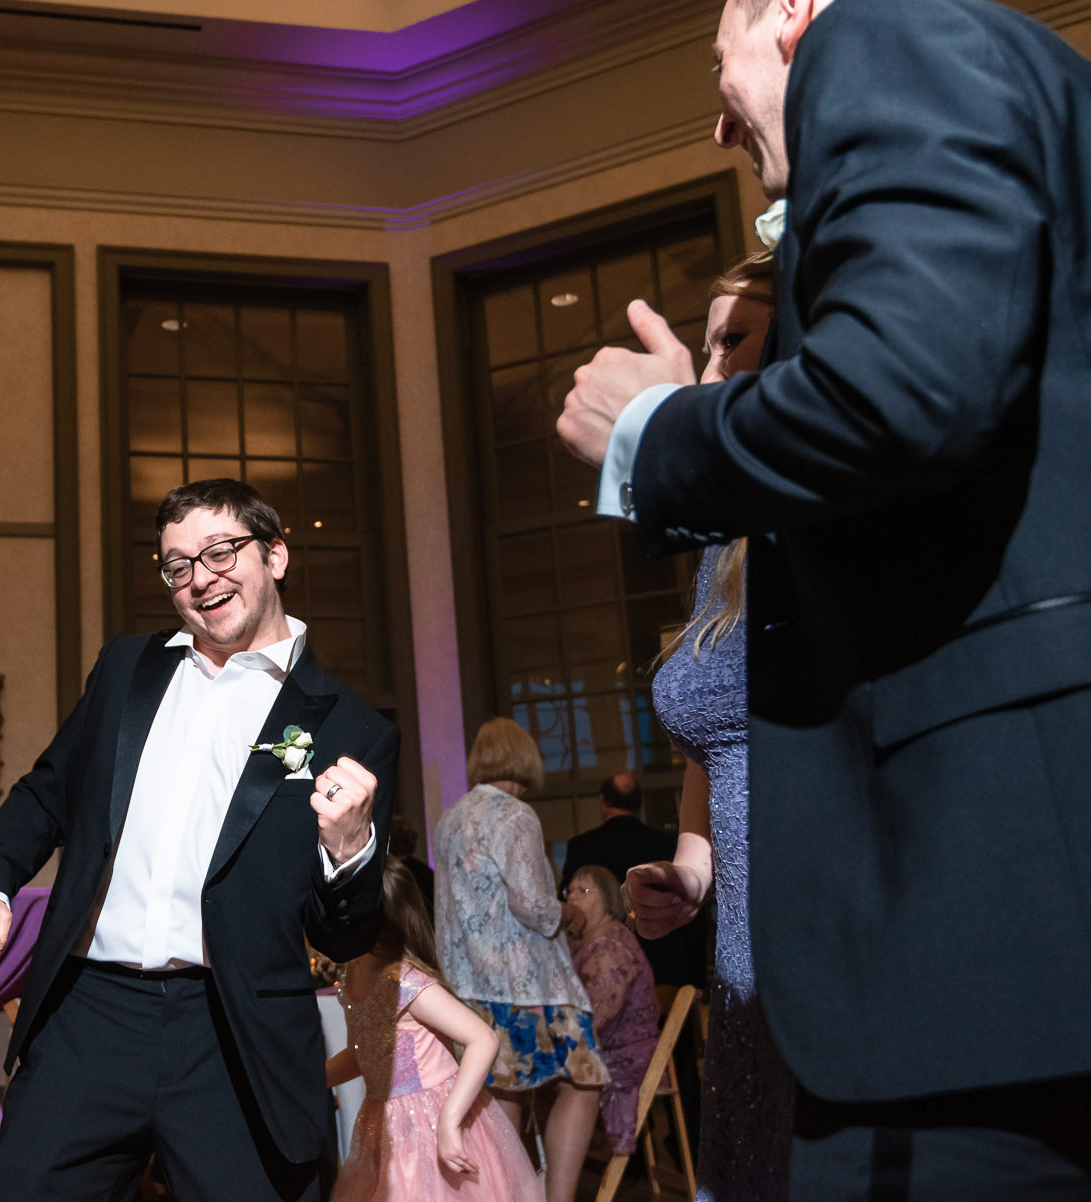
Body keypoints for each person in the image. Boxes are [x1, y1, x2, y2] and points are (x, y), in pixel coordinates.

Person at [557, 0, 1091, 1192]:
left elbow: (905, 388)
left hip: (994, 903)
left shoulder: (892, 34)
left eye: (719, 65)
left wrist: (654, 432)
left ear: (791, 13)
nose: (717, 124)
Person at [0, 477, 399, 1202]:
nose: (201, 578)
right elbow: (46, 793)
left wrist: (349, 851)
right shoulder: (127, 669)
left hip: (235, 1034)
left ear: (276, 555)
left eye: (221, 552)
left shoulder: (350, 725)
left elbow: (343, 936)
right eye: (178, 564)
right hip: (89, 1015)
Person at [623, 251, 793, 1201]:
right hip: (739, 948)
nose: (712, 366)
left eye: (737, 339)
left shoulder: (824, 515)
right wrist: (692, 869)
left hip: (823, 918)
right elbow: (713, 743)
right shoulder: (720, 548)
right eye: (705, 347)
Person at [431, 718, 606, 1202]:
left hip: (467, 986)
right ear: (526, 758)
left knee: (500, 1092)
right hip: (525, 984)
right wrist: (568, 913)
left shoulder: (449, 820)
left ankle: (515, 1194)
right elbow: (531, 904)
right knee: (582, 1079)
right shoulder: (515, 815)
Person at [327, 860, 542, 1202]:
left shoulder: (406, 983)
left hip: (432, 1122)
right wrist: (313, 1079)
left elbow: (482, 1039)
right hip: (385, 1125)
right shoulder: (353, 975)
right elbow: (360, 1054)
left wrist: (449, 1120)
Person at [558, 773, 705, 993]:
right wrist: (697, 979)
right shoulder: (666, 845)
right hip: (667, 966)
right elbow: (690, 913)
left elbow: (568, 907)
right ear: (638, 804)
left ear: (603, 802)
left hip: (604, 968)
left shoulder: (583, 847)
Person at [563, 866, 659, 1158]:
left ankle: (556, 1169)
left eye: (584, 890)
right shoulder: (582, 943)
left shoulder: (610, 946)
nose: (572, 898)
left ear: (607, 899)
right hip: (600, 1045)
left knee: (540, 1075)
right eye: (570, 891)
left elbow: (595, 1016)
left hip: (623, 1054)